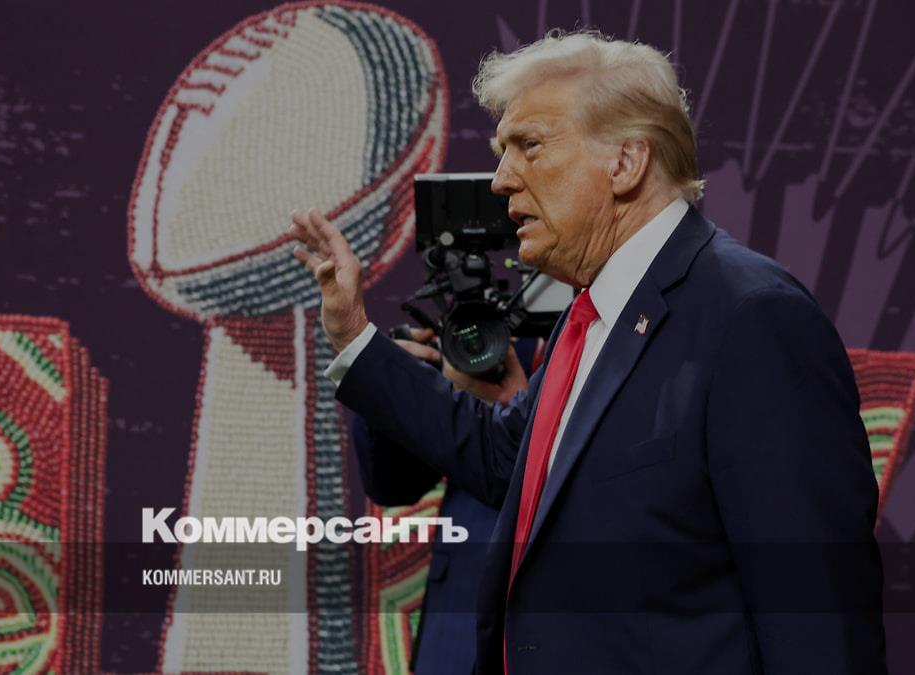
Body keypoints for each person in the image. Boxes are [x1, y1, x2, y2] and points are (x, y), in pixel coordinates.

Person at [291, 30, 885, 675]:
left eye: (530, 146)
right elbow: (503, 457)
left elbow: (817, 615)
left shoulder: (752, 317)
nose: (501, 180)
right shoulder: (598, 314)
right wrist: (354, 335)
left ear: (626, 162)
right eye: (502, 152)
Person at [352, 328, 535, 675]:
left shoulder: (624, 333)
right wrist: (396, 380)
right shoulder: (474, 329)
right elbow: (392, 485)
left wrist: (522, 417)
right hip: (457, 622)